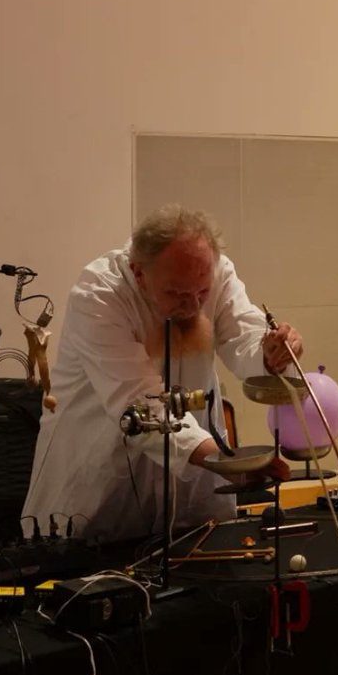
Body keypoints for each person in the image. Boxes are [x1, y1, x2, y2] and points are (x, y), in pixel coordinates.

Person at [23, 206, 303, 542]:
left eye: (202, 292)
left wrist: (272, 355)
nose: (193, 305)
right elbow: (141, 408)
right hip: (99, 483)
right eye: (177, 294)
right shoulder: (98, 295)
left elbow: (244, 341)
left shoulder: (216, 273)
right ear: (138, 272)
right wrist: (224, 461)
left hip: (192, 491)